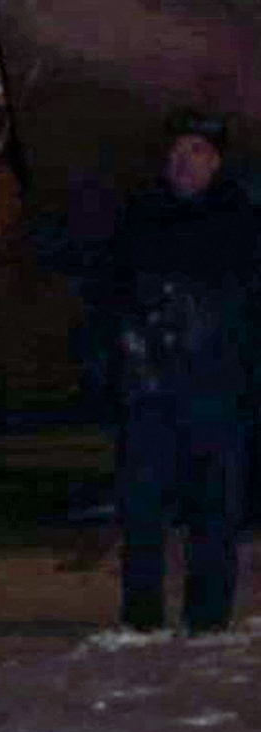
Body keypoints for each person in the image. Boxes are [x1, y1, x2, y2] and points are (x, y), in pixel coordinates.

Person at [89, 111, 259, 633]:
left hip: (216, 390)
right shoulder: (140, 217)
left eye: (197, 152)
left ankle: (208, 619)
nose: (184, 163)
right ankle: (141, 619)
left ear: (216, 161)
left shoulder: (241, 222)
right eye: (178, 152)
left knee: (214, 510)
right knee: (143, 510)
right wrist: (126, 352)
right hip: (150, 390)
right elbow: (108, 296)